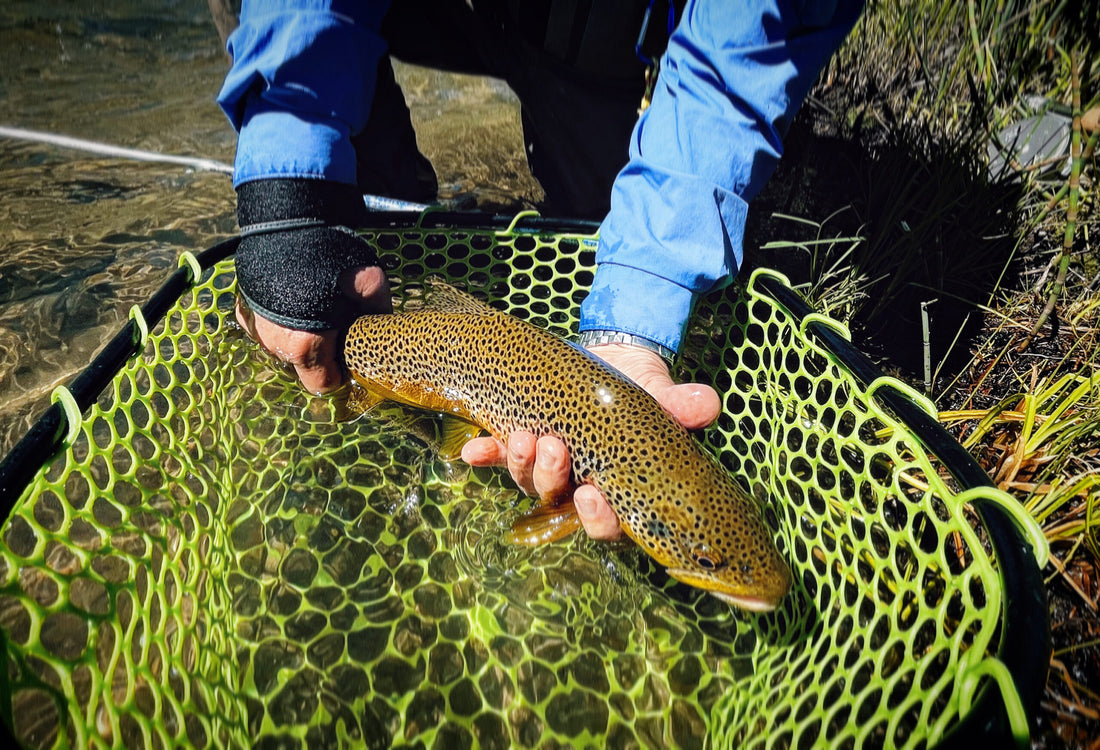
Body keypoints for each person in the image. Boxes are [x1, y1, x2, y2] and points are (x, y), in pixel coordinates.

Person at [216, 0, 863, 540]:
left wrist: (634, 320)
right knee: (331, 200)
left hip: (586, 17)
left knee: (591, 193)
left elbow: (739, 49)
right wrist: (287, 200)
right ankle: (360, 199)